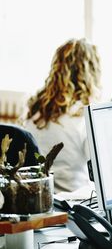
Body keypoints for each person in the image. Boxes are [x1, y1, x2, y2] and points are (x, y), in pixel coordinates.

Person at [24, 38, 101, 193]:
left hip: (40, 200)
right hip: (74, 205)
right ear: (91, 72)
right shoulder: (84, 115)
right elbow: (101, 171)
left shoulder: (36, 110)